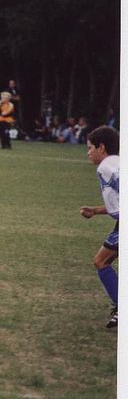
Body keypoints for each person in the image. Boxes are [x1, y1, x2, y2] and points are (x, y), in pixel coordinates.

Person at [80, 126, 119, 328]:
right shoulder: (118, 162)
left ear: (101, 147)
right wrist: (95, 210)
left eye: (90, 148)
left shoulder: (106, 166)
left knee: (101, 261)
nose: (88, 153)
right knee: (101, 260)